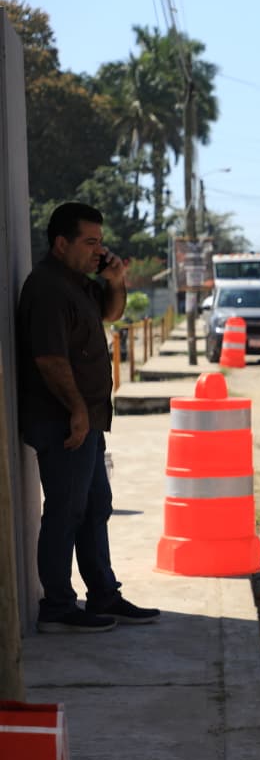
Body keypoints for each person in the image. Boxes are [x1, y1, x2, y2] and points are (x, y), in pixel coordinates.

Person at [17, 202, 161, 633]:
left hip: (88, 419)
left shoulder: (77, 283)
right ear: (61, 244)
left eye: (101, 242)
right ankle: (57, 606)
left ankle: (103, 594)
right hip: (63, 421)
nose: (98, 250)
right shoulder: (47, 288)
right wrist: (77, 409)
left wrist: (115, 280)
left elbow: (111, 313)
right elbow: (50, 359)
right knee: (66, 512)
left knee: (96, 506)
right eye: (90, 242)